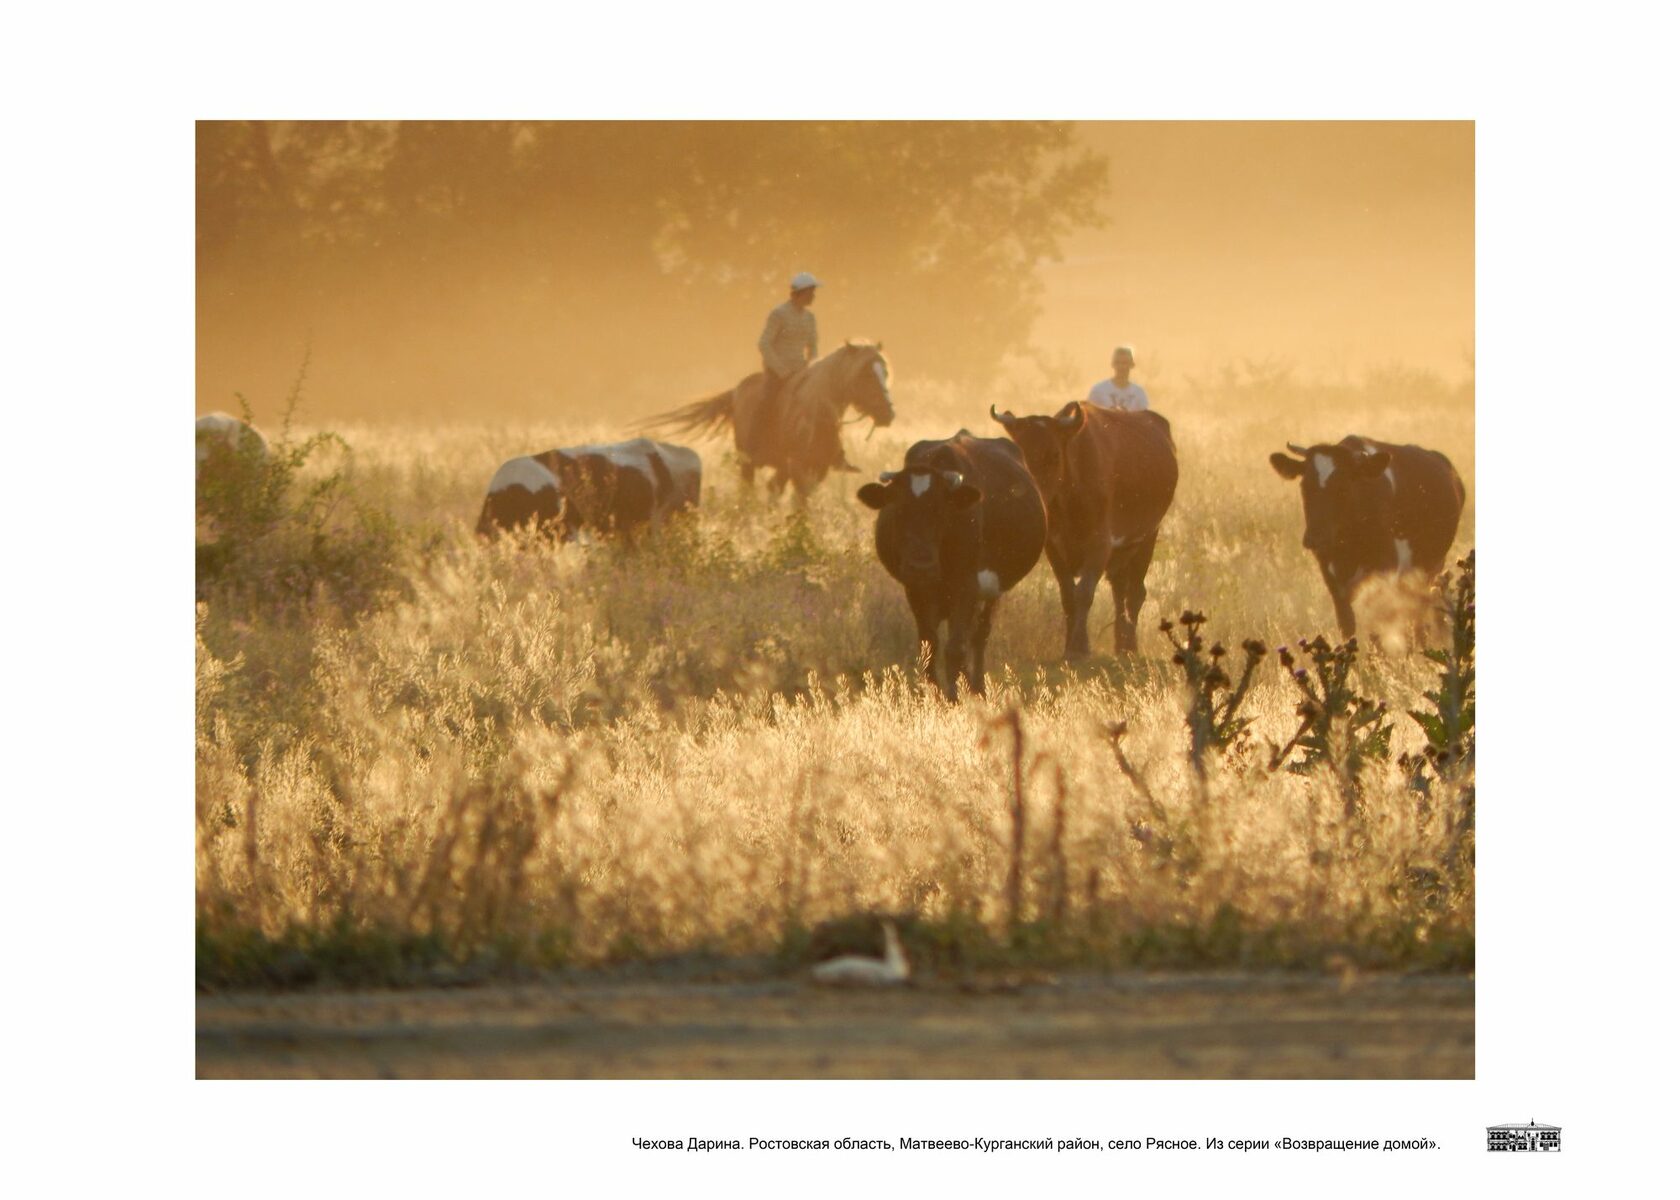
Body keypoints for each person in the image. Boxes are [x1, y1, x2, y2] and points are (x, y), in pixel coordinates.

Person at [1086, 344, 1150, 412]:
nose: (1121, 367)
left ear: (1132, 364)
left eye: (1124, 363)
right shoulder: (1098, 390)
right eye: (1117, 363)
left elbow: (1144, 419)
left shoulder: (1139, 393)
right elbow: (1089, 415)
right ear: (1112, 364)